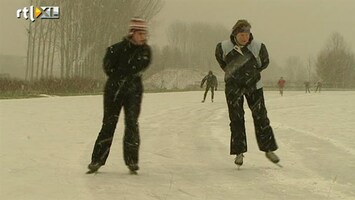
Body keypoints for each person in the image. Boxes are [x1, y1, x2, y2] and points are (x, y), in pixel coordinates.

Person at [87, 17, 151, 174]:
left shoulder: (145, 51)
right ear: (132, 33)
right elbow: (108, 67)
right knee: (109, 124)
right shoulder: (115, 49)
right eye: (141, 33)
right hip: (114, 91)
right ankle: (97, 161)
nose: (144, 37)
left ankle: (132, 161)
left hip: (134, 92)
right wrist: (119, 79)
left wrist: (125, 75)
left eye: (145, 33)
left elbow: (140, 66)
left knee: (132, 124)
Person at [215, 19, 280, 168]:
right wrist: (233, 74)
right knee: (236, 119)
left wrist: (252, 74)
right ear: (235, 34)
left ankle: (268, 149)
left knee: (261, 117)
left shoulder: (258, 47)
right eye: (242, 34)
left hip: (254, 87)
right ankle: (239, 152)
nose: (245, 37)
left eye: (247, 34)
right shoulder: (223, 47)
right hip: (233, 88)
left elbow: (264, 62)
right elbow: (221, 61)